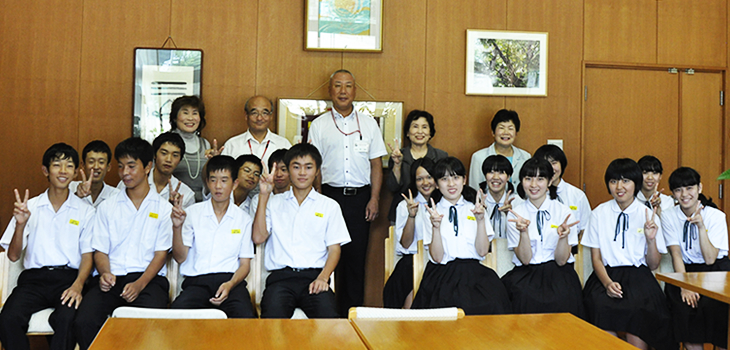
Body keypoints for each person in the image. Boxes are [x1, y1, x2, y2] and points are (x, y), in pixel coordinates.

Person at [74, 138, 173, 350]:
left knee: (148, 325)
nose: (124, 172)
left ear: (147, 167)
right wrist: (105, 273)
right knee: (84, 321)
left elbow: (160, 255)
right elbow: (100, 250)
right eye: (120, 166)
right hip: (111, 278)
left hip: (148, 281)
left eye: (131, 166)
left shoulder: (164, 209)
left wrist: (140, 284)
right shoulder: (107, 207)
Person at [0, 143, 95, 350]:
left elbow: (88, 255)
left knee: (67, 319)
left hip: (68, 279)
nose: (63, 171)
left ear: (76, 172)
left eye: (69, 166)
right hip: (34, 281)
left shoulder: (85, 211)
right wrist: (20, 225)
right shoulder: (31, 207)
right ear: (45, 170)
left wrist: (78, 286)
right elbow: (13, 256)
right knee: (8, 319)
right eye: (57, 165)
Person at [309, 69, 387, 316]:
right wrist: (319, 197)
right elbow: (314, 166)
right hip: (329, 197)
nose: (343, 91)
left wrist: (374, 198)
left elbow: (376, 164)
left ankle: (351, 315)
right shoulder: (319, 125)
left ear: (355, 90)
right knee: (327, 257)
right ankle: (326, 313)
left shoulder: (368, 124)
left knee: (355, 261)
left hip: (360, 199)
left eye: (348, 86)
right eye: (338, 86)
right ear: (330, 90)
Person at [581, 158, 674, 350]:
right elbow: (596, 258)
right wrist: (607, 284)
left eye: (625, 181)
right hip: (606, 275)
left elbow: (654, 264)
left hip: (638, 276)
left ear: (635, 184)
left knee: (639, 310)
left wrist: (651, 239)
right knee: (598, 306)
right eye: (614, 181)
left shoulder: (647, 214)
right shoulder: (599, 213)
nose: (619, 187)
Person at [252, 143, 350, 318]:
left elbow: (335, 249)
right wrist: (264, 195)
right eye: (296, 167)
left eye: (308, 167)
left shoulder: (329, 206)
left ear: (317, 171)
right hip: (280, 280)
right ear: (289, 170)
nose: (302, 173)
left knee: (329, 321)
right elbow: (258, 237)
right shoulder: (274, 202)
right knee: (271, 322)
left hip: (315, 278)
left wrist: (323, 277)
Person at [412, 157, 511, 315]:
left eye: (456, 178)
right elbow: (437, 258)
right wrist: (436, 227)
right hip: (441, 273)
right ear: (437, 184)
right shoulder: (431, 211)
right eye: (444, 179)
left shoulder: (476, 208)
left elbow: (482, 251)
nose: (451, 184)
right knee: (444, 306)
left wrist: (480, 221)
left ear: (464, 180)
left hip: (474, 272)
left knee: (494, 300)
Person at [170, 155, 255, 318]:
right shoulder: (193, 213)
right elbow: (180, 258)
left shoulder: (243, 218)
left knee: (245, 319)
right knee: (176, 317)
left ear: (235, 183)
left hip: (231, 283)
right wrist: (177, 226)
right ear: (207, 182)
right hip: (197, 284)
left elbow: (245, 265)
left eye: (224, 180)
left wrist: (230, 285)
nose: (218, 186)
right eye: (213, 180)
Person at [502, 158, 584, 318]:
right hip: (526, 273)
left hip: (559, 272)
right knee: (521, 298)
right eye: (528, 178)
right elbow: (525, 260)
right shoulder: (515, 214)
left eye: (540, 179)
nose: (533, 185)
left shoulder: (564, 212)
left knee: (564, 299)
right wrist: (523, 232)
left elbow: (561, 261)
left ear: (549, 181)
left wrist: (563, 238)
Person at [663, 167, 729, 349]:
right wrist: (685, 287)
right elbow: (676, 253)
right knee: (684, 310)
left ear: (699, 188)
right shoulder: (668, 216)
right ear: (673, 194)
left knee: (718, 313)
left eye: (689, 188)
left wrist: (701, 227)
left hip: (716, 272)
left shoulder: (716, 216)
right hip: (686, 272)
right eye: (678, 190)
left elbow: (710, 259)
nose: (684, 194)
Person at [383, 158, 436, 309]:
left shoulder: (444, 203)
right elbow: (405, 243)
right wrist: (411, 215)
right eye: (419, 179)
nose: (425, 183)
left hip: (437, 261)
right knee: (407, 278)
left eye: (429, 177)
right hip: (411, 260)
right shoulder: (403, 205)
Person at [385, 110, 448, 222]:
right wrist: (397, 165)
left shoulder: (441, 156)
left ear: (430, 132)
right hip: (402, 212)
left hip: (435, 212)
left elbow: (445, 186)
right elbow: (393, 187)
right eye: (415, 126)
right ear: (408, 132)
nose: (420, 132)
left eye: (424, 127)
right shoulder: (398, 155)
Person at [532, 144, 591, 254]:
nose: (550, 168)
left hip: (571, 253)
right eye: (546, 163)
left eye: (554, 163)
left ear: (562, 165)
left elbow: (585, 229)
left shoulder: (577, 195)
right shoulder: (532, 195)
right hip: (538, 253)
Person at [117, 132, 195, 209]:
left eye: (175, 155)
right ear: (154, 155)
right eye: (164, 153)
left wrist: (171, 208)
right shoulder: (129, 181)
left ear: (180, 160)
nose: (169, 159)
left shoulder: (186, 194)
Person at [169, 95, 222, 202]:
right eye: (185, 113)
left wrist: (214, 162)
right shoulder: (167, 143)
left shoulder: (205, 144)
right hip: (174, 203)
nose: (190, 118)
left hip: (201, 205)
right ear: (175, 117)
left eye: (194, 113)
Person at [221, 95, 292, 167]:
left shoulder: (284, 144)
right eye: (254, 113)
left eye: (264, 113)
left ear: (271, 116)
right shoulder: (232, 145)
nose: (259, 118)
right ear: (246, 115)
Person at [468, 109, 530, 190]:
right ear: (493, 132)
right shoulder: (478, 157)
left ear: (516, 133)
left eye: (510, 128)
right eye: (501, 128)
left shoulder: (525, 156)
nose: (506, 132)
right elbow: (474, 188)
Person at [69, 140, 120, 208]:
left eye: (101, 162)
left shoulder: (116, 195)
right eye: (91, 162)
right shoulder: (70, 188)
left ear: (108, 167)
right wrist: (77, 196)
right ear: (83, 165)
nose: (96, 167)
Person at [479, 155, 519, 239]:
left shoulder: (518, 202)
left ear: (508, 177)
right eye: (491, 172)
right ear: (485, 176)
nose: (496, 177)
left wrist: (509, 214)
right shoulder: (477, 201)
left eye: (501, 173)